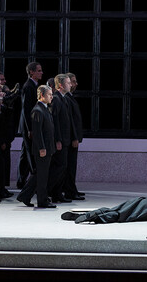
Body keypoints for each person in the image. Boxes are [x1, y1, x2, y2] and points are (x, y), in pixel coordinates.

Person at [16, 85, 56, 208]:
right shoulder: (38, 110)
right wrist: (41, 148)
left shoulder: (45, 109)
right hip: (42, 149)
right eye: (49, 94)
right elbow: (37, 133)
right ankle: (42, 200)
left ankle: (25, 195)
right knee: (42, 176)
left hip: (47, 147)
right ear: (42, 95)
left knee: (39, 174)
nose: (51, 97)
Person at [48, 74, 76, 203]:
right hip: (60, 140)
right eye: (68, 83)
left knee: (62, 167)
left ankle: (57, 194)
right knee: (59, 167)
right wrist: (58, 140)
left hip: (65, 139)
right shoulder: (56, 99)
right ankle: (49, 191)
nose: (70, 85)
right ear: (60, 85)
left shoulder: (63, 98)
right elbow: (55, 121)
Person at [17, 62, 43, 189]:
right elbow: (27, 109)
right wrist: (30, 129)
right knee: (30, 153)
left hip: (29, 126)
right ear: (31, 72)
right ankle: (32, 183)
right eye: (39, 70)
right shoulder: (28, 86)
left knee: (25, 154)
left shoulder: (34, 85)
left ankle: (21, 180)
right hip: (29, 127)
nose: (41, 73)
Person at [64, 72, 84, 200]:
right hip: (71, 138)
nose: (76, 84)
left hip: (73, 137)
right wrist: (74, 137)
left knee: (71, 166)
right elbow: (70, 120)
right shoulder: (66, 98)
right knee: (69, 166)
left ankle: (72, 189)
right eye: (73, 81)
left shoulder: (70, 97)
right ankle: (70, 191)